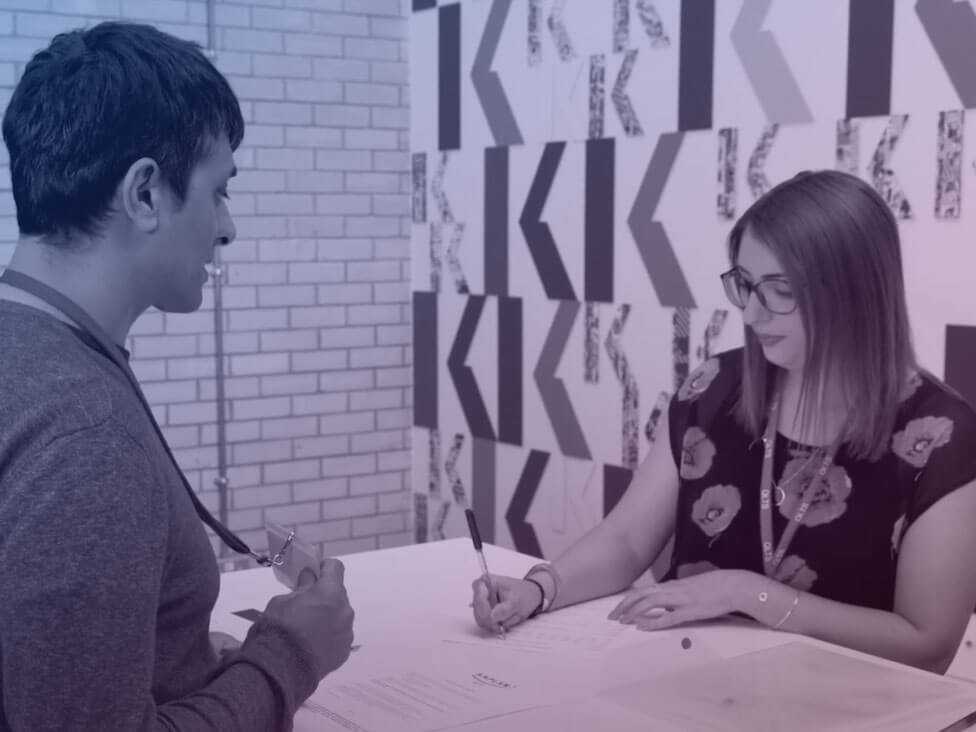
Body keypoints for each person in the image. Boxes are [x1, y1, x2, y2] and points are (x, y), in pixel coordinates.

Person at [472, 170, 976, 674]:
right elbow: (625, 540)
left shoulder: (939, 435)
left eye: (779, 290)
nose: (753, 314)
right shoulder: (713, 387)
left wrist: (747, 593)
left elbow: (926, 644)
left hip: (841, 706)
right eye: (745, 285)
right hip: (681, 681)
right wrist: (538, 588)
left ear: (855, 291)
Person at [0, 22, 354, 730]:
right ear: (145, 194)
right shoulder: (85, 436)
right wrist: (289, 656)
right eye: (219, 191)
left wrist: (178, 667)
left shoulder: (32, 355)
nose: (228, 227)